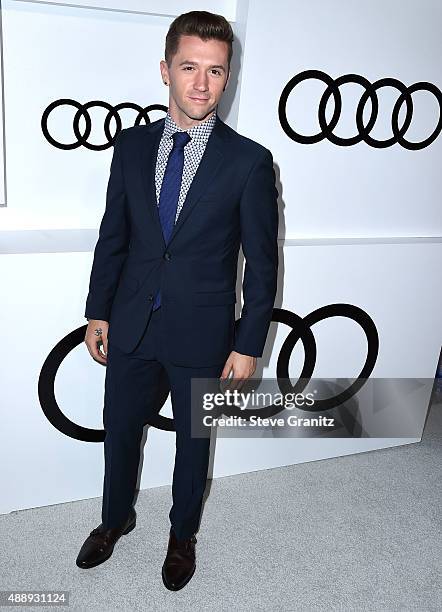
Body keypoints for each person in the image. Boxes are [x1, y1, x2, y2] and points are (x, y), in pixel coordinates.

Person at [76, 10, 279, 591]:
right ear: (166, 70)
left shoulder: (248, 161)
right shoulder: (133, 147)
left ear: (228, 77)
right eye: (189, 67)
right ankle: (115, 519)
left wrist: (247, 345)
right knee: (120, 433)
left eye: (215, 71)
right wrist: (98, 309)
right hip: (133, 321)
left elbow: (262, 264)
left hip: (204, 333)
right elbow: (113, 234)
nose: (201, 83)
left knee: (194, 448)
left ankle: (182, 536)